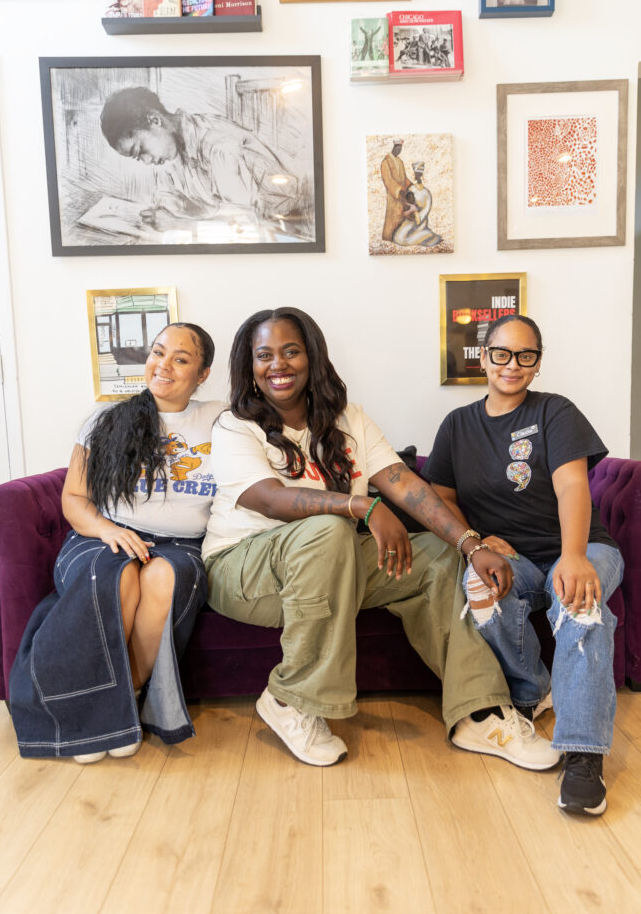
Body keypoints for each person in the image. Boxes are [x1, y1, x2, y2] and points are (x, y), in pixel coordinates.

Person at [201, 306, 557, 770]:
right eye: (264, 355)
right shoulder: (235, 426)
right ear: (249, 367)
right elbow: (268, 500)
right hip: (243, 573)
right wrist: (362, 505)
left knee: (435, 555)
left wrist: (471, 544)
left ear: (312, 357)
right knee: (329, 529)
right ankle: (293, 700)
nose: (278, 365)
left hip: (331, 565)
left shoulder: (349, 419)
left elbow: (406, 485)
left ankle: (478, 711)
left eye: (291, 351)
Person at [422, 314, 624, 817]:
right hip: (515, 558)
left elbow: (573, 486)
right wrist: (473, 539)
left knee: (580, 603)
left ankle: (583, 756)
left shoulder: (556, 411)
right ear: (484, 357)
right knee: (478, 586)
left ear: (537, 363)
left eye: (526, 355)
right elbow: (442, 498)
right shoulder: (457, 425)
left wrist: (574, 556)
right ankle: (535, 690)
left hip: (578, 546)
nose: (513, 365)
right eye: (502, 353)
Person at [9, 324, 222, 763]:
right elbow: (74, 498)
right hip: (102, 536)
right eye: (158, 352)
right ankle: (93, 713)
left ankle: (120, 706)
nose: (163, 365)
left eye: (180, 360)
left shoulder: (221, 418)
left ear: (202, 374)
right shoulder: (106, 416)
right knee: (121, 574)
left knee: (163, 576)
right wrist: (107, 530)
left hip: (180, 545)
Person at [99, 87, 302, 237]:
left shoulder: (219, 148)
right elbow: (169, 193)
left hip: (285, 231)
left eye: (141, 150)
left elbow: (246, 226)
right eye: (137, 157)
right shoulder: (173, 145)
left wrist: (178, 224)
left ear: (155, 120)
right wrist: (165, 207)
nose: (146, 161)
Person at [392, 164, 441, 247]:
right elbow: (406, 203)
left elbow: (426, 209)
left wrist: (417, 215)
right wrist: (410, 211)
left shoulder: (426, 193)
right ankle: (424, 237)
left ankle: (427, 235)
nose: (417, 176)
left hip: (420, 222)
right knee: (398, 238)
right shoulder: (411, 189)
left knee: (404, 240)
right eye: (416, 174)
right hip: (409, 219)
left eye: (419, 174)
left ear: (421, 174)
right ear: (414, 174)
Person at [380, 139, 410, 242]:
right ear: (394, 147)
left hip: (403, 196)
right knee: (392, 218)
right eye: (397, 148)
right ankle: (388, 238)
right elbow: (388, 180)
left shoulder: (400, 162)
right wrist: (399, 190)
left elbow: (404, 178)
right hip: (394, 196)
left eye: (400, 148)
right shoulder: (386, 161)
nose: (399, 150)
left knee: (402, 217)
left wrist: (411, 186)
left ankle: (400, 238)